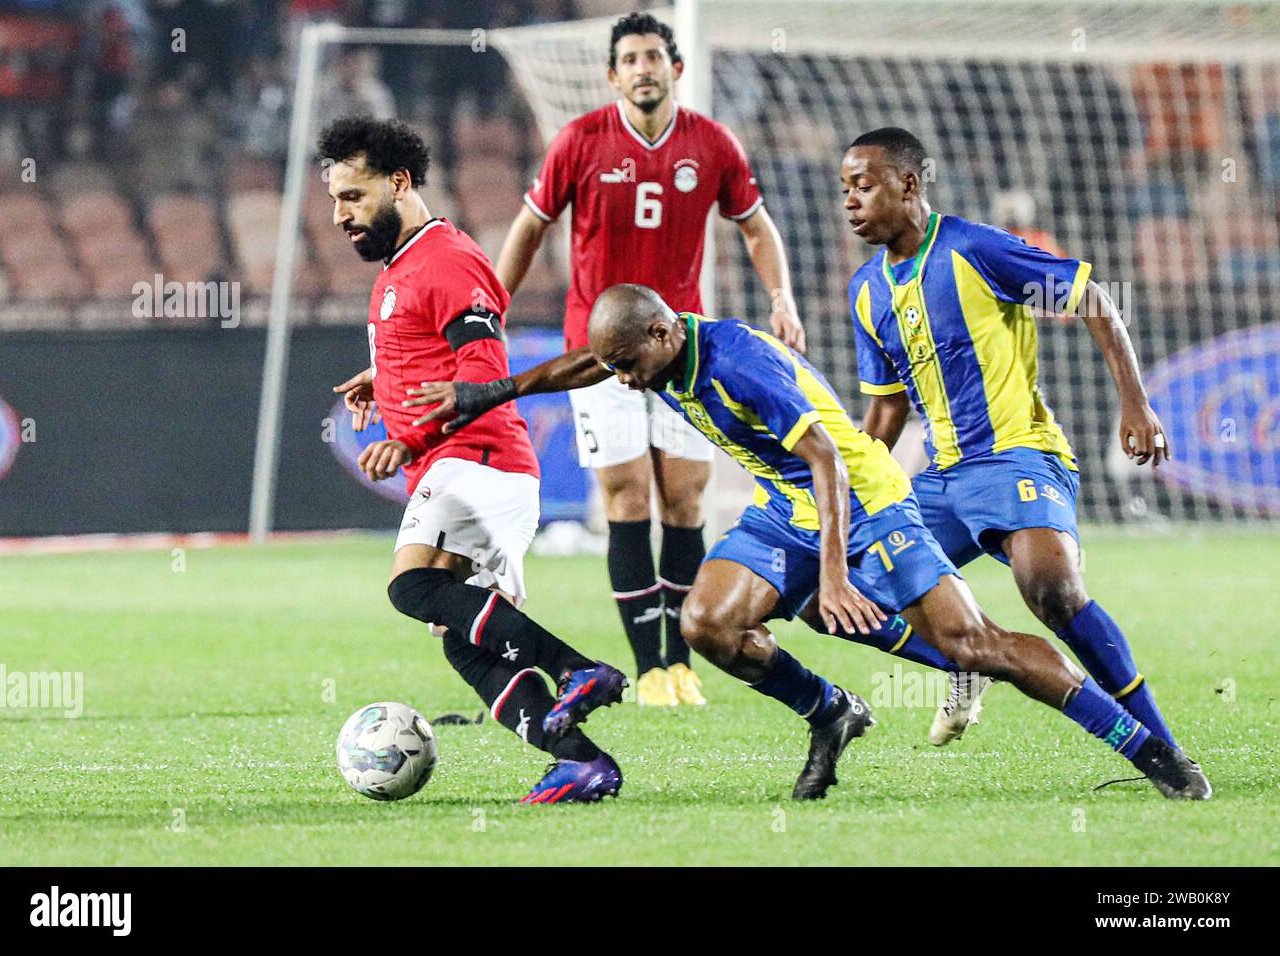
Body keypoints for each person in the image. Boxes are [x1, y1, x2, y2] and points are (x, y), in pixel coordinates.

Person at [405, 285, 1211, 801]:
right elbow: (586, 360)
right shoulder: (651, 348)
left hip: (861, 498)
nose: (623, 381)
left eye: (629, 365)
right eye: (617, 368)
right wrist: (491, 390)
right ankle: (830, 712)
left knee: (977, 644)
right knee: (708, 625)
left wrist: (830, 575)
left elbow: (828, 455)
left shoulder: (739, 363)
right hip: (788, 503)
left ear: (661, 332)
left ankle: (1146, 750)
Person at [842, 127, 1190, 755]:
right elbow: (886, 409)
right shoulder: (866, 292)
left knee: (1051, 588)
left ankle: (1162, 747)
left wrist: (1135, 404)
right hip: (943, 478)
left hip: (1017, 454)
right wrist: (851, 493)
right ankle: (973, 656)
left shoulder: (975, 249)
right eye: (844, 189)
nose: (849, 201)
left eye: (862, 186)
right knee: (856, 582)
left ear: (909, 184)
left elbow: (1091, 299)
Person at [494, 12, 806, 707]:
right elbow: (529, 226)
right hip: (598, 350)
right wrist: (496, 306)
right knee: (627, 496)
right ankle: (651, 667)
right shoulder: (578, 142)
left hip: (680, 349)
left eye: (652, 57)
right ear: (612, 75)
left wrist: (780, 296)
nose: (642, 68)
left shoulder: (712, 144)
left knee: (686, 497)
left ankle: (682, 657)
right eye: (629, 59)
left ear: (676, 68)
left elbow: (755, 225)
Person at [320, 115, 626, 804]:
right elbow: (428, 351)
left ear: (399, 183)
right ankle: (580, 762)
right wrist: (385, 382)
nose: (340, 215)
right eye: (335, 200)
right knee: (464, 642)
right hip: (465, 468)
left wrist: (409, 437)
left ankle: (578, 669)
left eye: (353, 197)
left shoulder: (448, 259)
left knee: (411, 587)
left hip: (478, 460)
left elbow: (482, 372)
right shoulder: (402, 268)